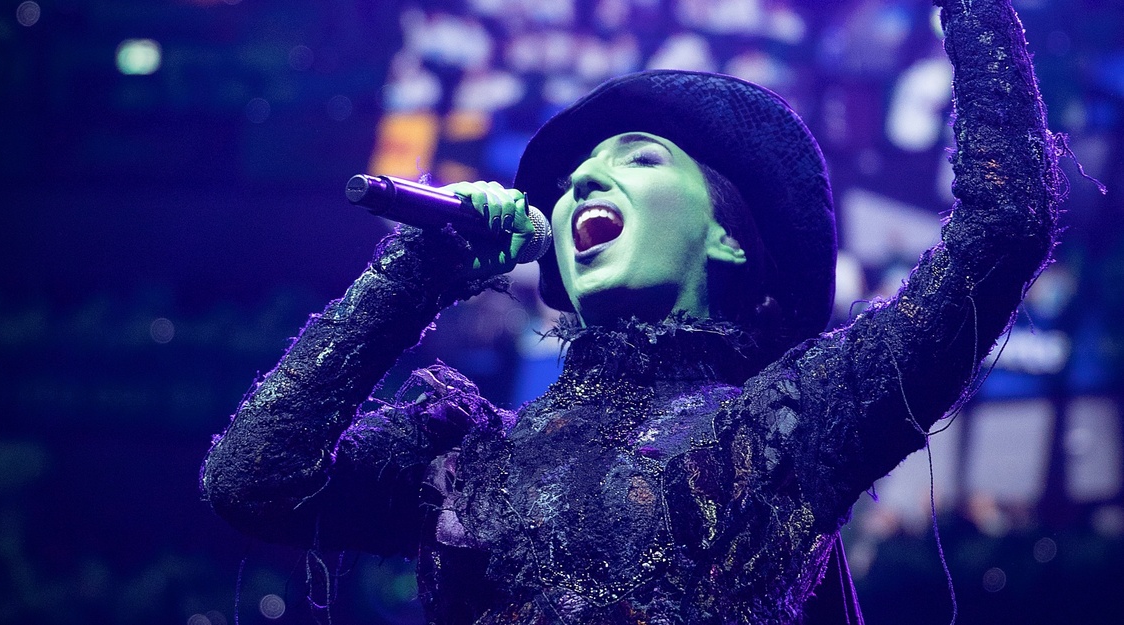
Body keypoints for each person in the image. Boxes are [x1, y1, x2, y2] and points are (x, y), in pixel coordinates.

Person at [201, 1, 1063, 623]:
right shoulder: (466, 459)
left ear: (727, 238)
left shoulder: (787, 425)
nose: (583, 180)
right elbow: (252, 481)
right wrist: (416, 274)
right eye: (575, 178)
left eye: (639, 158)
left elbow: (1005, 225)